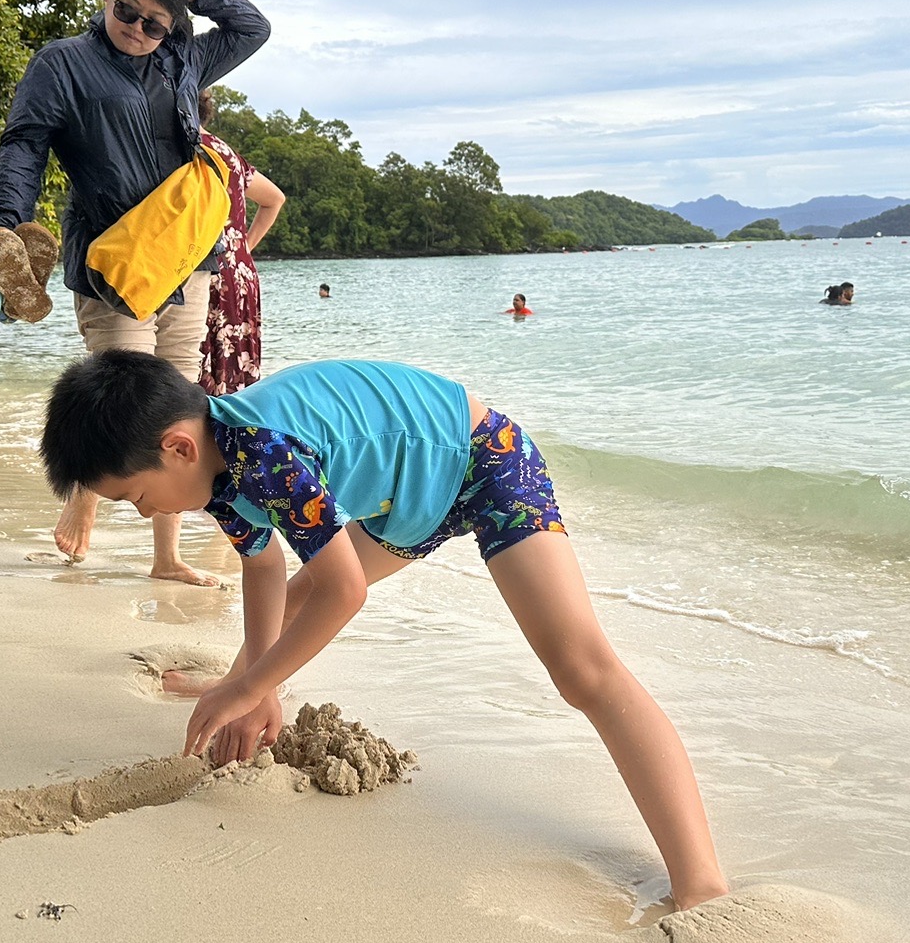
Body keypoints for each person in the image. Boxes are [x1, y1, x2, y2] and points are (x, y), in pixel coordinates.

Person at [40, 352, 731, 911]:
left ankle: (700, 881)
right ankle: (248, 689)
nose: (139, 512)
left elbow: (346, 592)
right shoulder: (219, 474)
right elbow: (264, 570)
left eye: (134, 497)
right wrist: (255, 687)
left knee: (581, 670)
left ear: (178, 447)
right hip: (407, 503)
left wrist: (256, 679)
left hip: (484, 463)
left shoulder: (267, 455)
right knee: (293, 601)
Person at [0, 0, 270, 579]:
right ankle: (82, 496)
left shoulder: (182, 60)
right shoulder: (62, 63)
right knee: (115, 400)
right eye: (127, 10)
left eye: (155, 22)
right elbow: (25, 144)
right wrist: (10, 221)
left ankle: (165, 559)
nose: (137, 30)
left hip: (185, 262)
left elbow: (253, 27)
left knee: (180, 413)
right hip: (113, 264)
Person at [196, 89, 284, 396]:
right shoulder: (225, 152)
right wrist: (243, 247)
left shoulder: (185, 149)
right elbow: (274, 199)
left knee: (197, 380)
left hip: (201, 271)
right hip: (239, 273)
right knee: (236, 383)